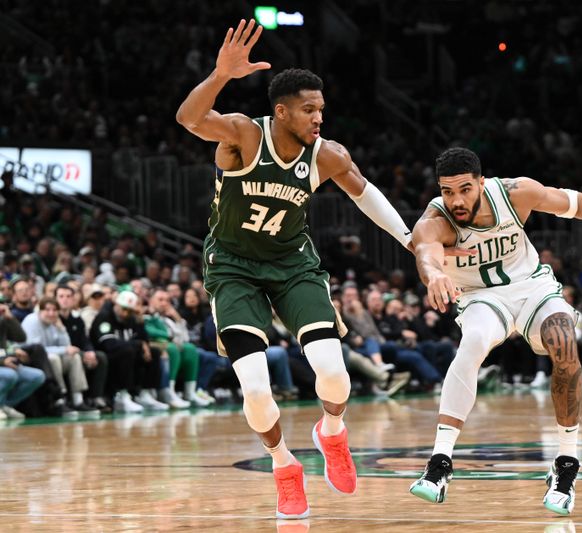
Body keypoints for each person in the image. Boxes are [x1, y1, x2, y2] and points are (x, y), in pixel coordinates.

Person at [175, 19, 437, 519]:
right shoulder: (243, 135)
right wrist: (219, 75)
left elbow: (365, 193)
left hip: (293, 264)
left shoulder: (328, 155)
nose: (320, 118)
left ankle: (332, 432)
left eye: (322, 109)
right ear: (281, 111)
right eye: (309, 110)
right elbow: (189, 117)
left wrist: (407, 238)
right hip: (233, 267)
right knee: (254, 386)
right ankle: (283, 465)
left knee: (335, 375)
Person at [408, 147, 582, 515]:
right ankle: (440, 462)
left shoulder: (515, 193)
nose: (456, 200)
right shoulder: (437, 219)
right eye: (448, 191)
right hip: (482, 297)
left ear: (481, 182)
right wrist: (434, 275)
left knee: (563, 339)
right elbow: (425, 251)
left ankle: (566, 464)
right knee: (474, 341)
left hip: (532, 287)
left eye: (464, 189)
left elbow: (569, 202)